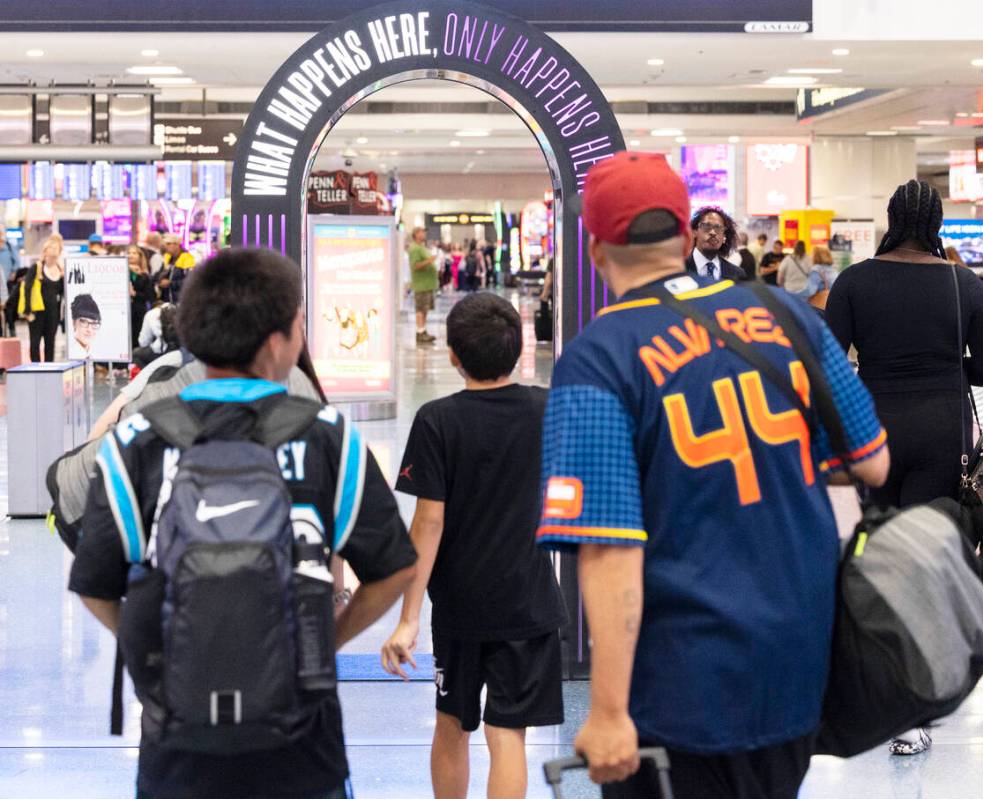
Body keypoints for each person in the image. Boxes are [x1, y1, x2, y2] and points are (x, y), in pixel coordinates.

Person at [536, 151, 889, 798]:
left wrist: (609, 710)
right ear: (684, 231)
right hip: (797, 660)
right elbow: (872, 459)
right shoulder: (790, 316)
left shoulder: (599, 358)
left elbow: (608, 545)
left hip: (683, 688)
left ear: (594, 248)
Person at [68, 248, 418, 799]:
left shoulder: (137, 443)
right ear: (277, 341)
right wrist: (324, 640)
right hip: (302, 743)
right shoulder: (329, 438)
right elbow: (394, 569)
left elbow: (93, 584)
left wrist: (162, 644)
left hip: (178, 746)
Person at [825, 180, 983, 755]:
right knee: (923, 561)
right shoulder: (962, 282)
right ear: (937, 223)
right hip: (937, 436)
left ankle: (875, 687)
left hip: (873, 433)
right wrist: (942, 366)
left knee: (881, 551)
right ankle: (916, 705)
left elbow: (831, 361)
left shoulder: (854, 281)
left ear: (890, 217)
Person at [382, 292, 567, 799]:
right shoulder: (546, 408)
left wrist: (408, 617)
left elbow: (429, 522)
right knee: (507, 734)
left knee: (451, 725)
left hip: (460, 609)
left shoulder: (437, 420)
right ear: (519, 346)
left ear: (453, 354)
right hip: (528, 603)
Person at [20, 237, 64, 362]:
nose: (54, 250)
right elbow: (27, 288)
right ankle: (35, 368)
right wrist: (28, 310)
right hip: (37, 311)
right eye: (51, 247)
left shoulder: (61, 270)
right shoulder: (37, 267)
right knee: (35, 342)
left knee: (50, 342)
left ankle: (49, 369)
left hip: (53, 312)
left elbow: (62, 293)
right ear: (45, 251)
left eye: (57, 248)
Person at [684, 207, 746, 283]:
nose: (713, 232)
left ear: (724, 236)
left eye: (718, 228)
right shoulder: (679, 270)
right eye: (706, 226)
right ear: (694, 232)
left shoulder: (737, 274)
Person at [408, 227, 438, 344]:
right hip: (421, 284)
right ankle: (420, 332)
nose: (424, 234)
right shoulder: (415, 249)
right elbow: (415, 266)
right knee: (420, 309)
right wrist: (429, 261)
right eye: (421, 232)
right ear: (416, 234)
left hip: (427, 284)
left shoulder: (422, 247)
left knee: (425, 309)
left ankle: (423, 330)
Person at [155, 234, 195, 304]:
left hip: (181, 300)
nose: (165, 246)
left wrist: (170, 284)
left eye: (168, 244)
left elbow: (190, 281)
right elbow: (158, 274)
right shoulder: (167, 258)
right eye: (165, 244)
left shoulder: (187, 259)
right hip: (167, 300)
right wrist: (159, 281)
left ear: (177, 244)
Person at [127, 245, 153, 350]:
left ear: (140, 256)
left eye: (134, 253)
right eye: (129, 253)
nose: (131, 255)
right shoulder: (122, 272)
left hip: (138, 312)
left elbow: (149, 296)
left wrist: (135, 294)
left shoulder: (145, 276)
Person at [70, 294, 102, 358]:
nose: (89, 330)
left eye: (94, 323)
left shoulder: (96, 356)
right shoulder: (71, 355)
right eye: (84, 322)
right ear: (74, 323)